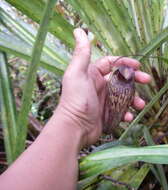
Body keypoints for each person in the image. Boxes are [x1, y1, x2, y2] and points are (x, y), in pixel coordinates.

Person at [0, 28, 151, 190]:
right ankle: (108, 124)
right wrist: (74, 118)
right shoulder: (115, 79)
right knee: (116, 112)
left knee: (116, 111)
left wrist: (74, 120)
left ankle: (108, 124)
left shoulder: (116, 81)